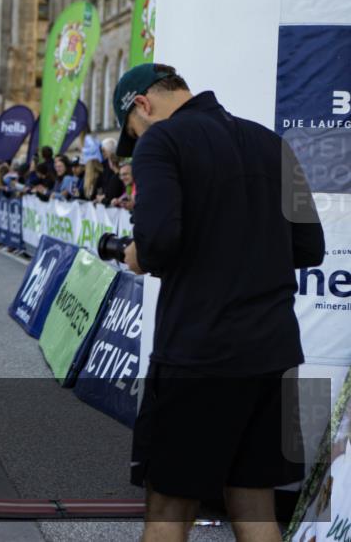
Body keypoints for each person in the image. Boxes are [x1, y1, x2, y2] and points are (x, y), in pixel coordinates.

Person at [111, 63, 326, 542]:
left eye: (133, 129)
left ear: (142, 105)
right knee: (255, 506)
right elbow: (310, 248)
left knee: (169, 507)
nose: (138, 138)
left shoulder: (161, 142)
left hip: (199, 351)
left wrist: (136, 253)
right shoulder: (271, 143)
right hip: (273, 352)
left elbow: (159, 243)